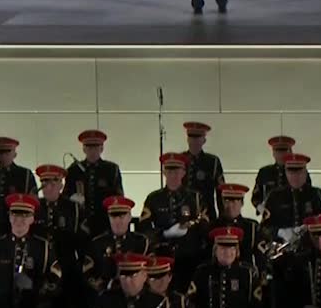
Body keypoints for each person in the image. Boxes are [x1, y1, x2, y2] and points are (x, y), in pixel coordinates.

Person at [140, 153, 209, 287]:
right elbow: (144, 227)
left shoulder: (195, 197)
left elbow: (205, 224)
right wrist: (164, 234)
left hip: (190, 257)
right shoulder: (153, 198)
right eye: (169, 170)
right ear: (164, 172)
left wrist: (191, 226)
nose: (173, 175)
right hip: (162, 258)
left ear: (183, 172)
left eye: (177, 171)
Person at [63, 130, 124, 239]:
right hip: (79, 224)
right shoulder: (74, 170)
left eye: (96, 147)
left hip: (104, 223)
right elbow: (65, 196)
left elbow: (118, 198)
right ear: (84, 149)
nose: (92, 151)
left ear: (101, 148)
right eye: (89, 147)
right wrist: (72, 198)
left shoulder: (110, 169)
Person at [0, 137, 38, 240]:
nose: (3, 156)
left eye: (7, 152)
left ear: (14, 154)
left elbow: (34, 205)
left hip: (17, 229)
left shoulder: (24, 175)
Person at [181, 122, 225, 222]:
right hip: (184, 212)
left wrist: (223, 217)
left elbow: (220, 191)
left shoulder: (212, 161)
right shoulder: (180, 160)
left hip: (207, 213)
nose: (194, 141)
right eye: (191, 137)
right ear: (187, 139)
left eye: (197, 138)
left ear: (204, 140)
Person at [252, 136, 298, 214]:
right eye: (277, 151)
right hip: (270, 217)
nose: (281, 154)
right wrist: (261, 210)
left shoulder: (298, 172)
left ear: (290, 152)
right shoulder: (264, 172)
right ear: (273, 153)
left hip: (292, 217)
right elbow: (256, 197)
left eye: (284, 150)